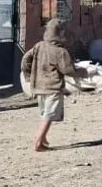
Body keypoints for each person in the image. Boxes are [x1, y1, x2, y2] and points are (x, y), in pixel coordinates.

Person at [21, 19, 85, 152]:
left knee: (45, 113)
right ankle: (38, 142)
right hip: (53, 87)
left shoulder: (39, 46)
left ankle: (43, 140)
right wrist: (81, 72)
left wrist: (28, 75)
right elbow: (68, 70)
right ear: (61, 34)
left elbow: (25, 59)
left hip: (38, 86)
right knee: (49, 115)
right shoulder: (60, 51)